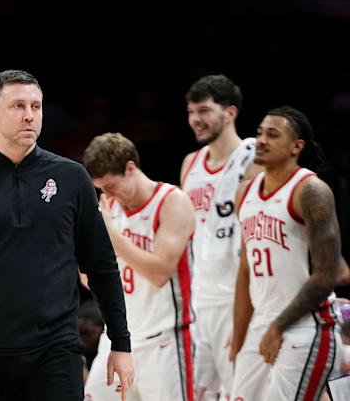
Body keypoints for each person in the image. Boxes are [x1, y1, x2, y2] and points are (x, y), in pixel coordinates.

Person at [0, 69, 134, 401]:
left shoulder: (72, 177)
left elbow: (102, 266)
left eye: (36, 106)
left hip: (56, 348)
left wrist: (120, 343)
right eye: (18, 106)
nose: (29, 115)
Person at [230, 106, 345, 400]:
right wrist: (239, 339)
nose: (261, 140)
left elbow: (329, 273)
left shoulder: (311, 191)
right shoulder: (245, 192)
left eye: (273, 135)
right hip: (261, 323)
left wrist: (279, 326)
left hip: (306, 325)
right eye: (259, 133)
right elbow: (246, 270)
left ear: (297, 147)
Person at [82, 132, 195, 400]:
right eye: (101, 189)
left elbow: (159, 273)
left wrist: (110, 234)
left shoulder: (172, 201)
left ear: (130, 168)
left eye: (110, 186)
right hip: (117, 338)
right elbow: (88, 279)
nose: (106, 194)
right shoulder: (109, 206)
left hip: (164, 339)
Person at [180, 74, 261, 399]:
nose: (195, 120)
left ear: (230, 112)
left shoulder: (255, 156)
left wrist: (253, 310)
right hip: (199, 301)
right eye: (190, 112)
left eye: (203, 110)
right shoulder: (190, 164)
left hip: (237, 299)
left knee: (237, 393)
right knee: (194, 393)